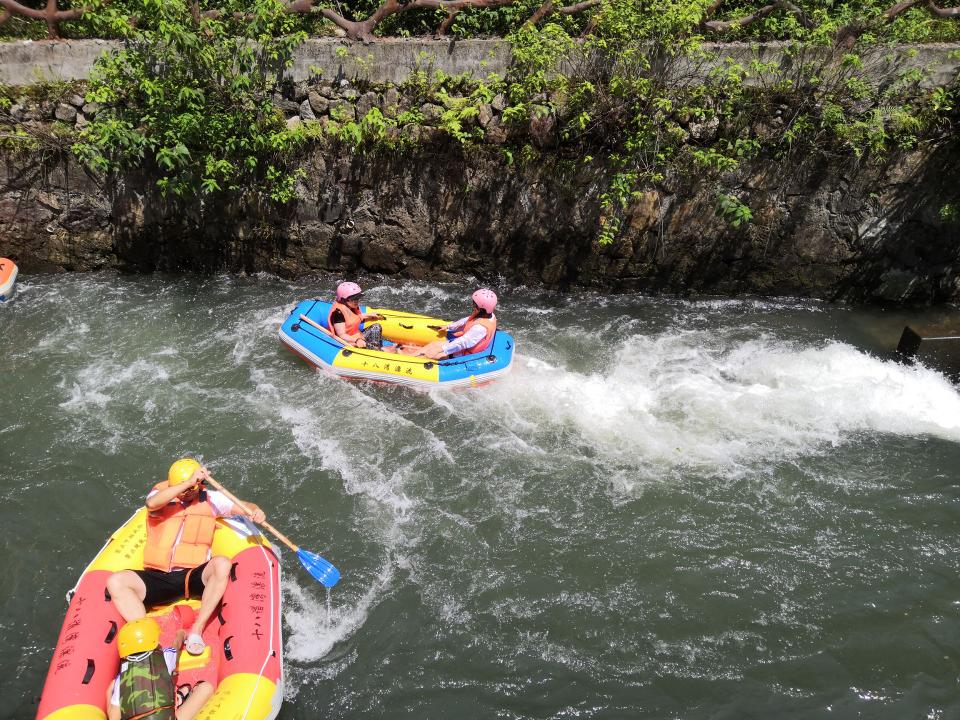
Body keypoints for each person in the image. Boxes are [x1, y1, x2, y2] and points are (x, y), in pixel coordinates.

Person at [106, 459, 266, 656]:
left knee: (222, 564)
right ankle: (147, 633)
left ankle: (197, 629)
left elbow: (243, 506)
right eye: (184, 488)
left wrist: (255, 510)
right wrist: (188, 482)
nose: (188, 492)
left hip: (193, 576)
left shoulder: (211, 499)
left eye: (193, 487)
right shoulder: (159, 494)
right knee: (116, 581)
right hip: (158, 577)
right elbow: (151, 504)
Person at [106, 617, 213, 720]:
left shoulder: (121, 679)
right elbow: (176, 644)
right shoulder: (165, 657)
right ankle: (180, 697)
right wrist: (181, 633)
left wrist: (109, 691)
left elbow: (113, 717)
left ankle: (179, 697)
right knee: (206, 688)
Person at [413, 289, 498, 360]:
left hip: (464, 354)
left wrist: (441, 350)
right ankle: (410, 357)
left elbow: (463, 343)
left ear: (480, 308)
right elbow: (466, 320)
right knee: (433, 345)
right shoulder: (488, 315)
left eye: (474, 305)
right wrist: (448, 326)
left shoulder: (480, 328)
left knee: (430, 354)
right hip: (465, 347)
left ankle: (409, 362)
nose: (473, 306)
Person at [328, 282, 387, 351]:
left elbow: (353, 318)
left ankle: (375, 348)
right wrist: (357, 340)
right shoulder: (338, 313)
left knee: (376, 327)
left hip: (357, 335)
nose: (357, 301)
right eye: (354, 299)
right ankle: (373, 351)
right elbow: (342, 335)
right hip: (347, 342)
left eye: (358, 298)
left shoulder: (351, 307)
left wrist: (370, 315)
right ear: (344, 299)